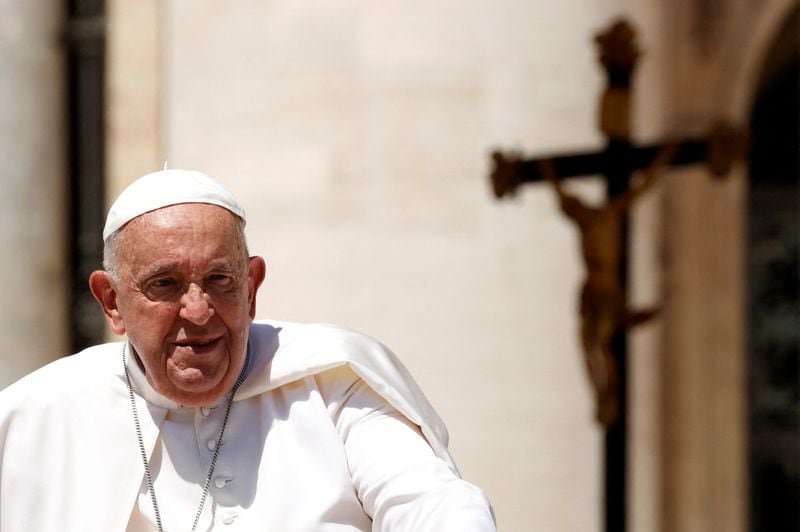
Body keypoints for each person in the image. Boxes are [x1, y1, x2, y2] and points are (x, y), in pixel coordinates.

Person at [0, 169, 496, 531]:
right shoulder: (32, 416)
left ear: (252, 287)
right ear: (112, 302)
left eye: (219, 280)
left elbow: (432, 503)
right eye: (165, 285)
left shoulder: (334, 383)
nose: (198, 311)